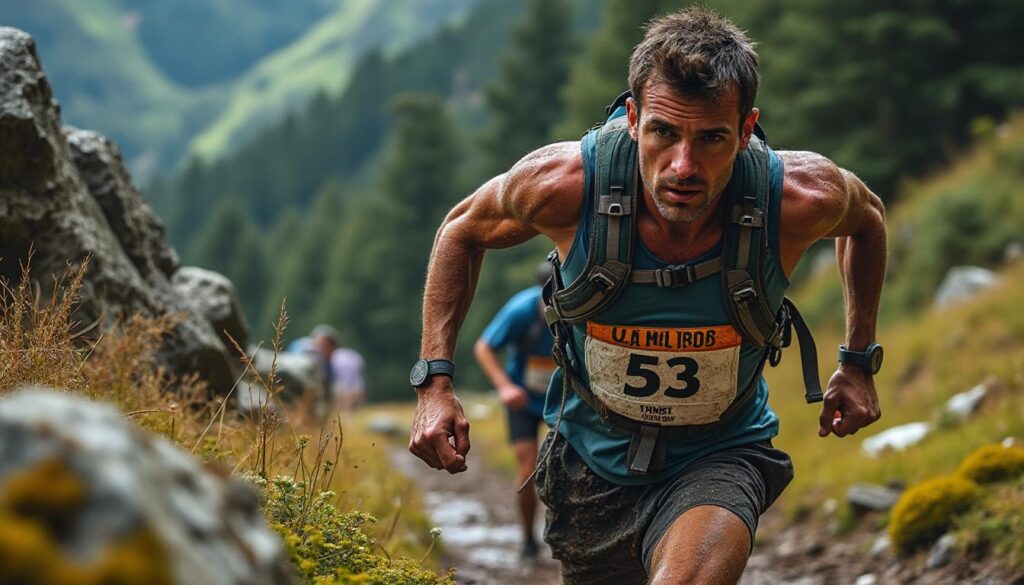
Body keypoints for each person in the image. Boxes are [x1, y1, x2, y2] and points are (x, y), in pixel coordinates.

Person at [408, 7, 887, 584]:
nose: (684, 166)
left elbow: (868, 221)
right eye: (664, 132)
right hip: (588, 460)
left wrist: (857, 362)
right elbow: (461, 229)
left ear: (745, 129)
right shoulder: (564, 186)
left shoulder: (797, 198)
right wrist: (434, 383)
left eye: (711, 138)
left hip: (721, 453)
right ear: (633, 118)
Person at [473, 262, 556, 562]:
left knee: (572, 467)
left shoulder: (581, 305)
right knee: (527, 468)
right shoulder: (520, 310)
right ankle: (528, 539)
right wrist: (504, 386)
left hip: (561, 399)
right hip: (522, 399)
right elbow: (484, 347)